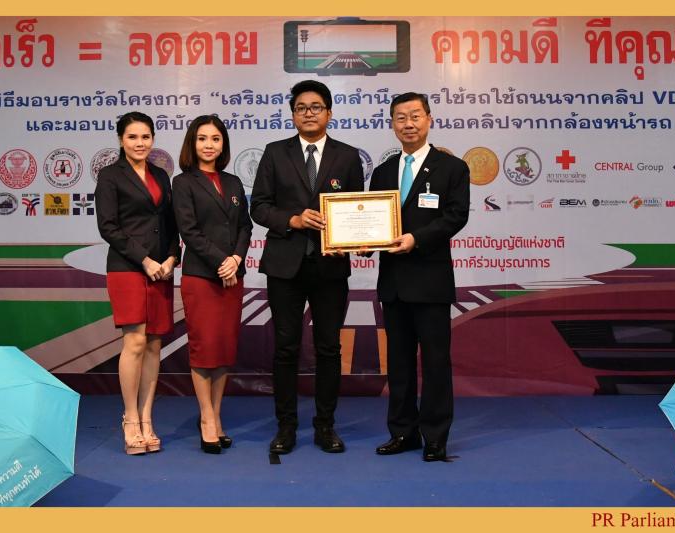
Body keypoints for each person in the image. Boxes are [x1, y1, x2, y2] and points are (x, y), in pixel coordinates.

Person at [250, 80, 364, 454]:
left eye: (316, 107)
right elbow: (259, 207)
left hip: (331, 266)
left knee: (329, 348)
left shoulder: (348, 156)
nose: (308, 113)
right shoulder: (275, 152)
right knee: (286, 348)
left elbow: (358, 209)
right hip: (285, 266)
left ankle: (325, 426)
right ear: (292, 114)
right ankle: (286, 427)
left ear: (329, 113)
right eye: (301, 107)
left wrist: (360, 239)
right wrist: (293, 220)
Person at [368, 92, 470, 461]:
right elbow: (373, 221)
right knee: (399, 364)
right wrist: (364, 244)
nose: (408, 124)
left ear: (429, 119)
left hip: (430, 281)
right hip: (394, 283)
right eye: (400, 117)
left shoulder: (452, 168)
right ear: (392, 124)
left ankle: (436, 436)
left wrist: (416, 239)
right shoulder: (382, 171)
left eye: (415, 116)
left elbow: (456, 216)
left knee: (436, 363)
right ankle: (403, 433)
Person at [95, 111, 180, 455]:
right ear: (121, 140)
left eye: (145, 136)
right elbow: (108, 227)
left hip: (161, 269)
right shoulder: (110, 176)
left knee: (154, 344)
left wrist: (172, 258)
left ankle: (147, 418)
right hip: (127, 266)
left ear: (153, 139)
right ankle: (130, 418)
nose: (140, 143)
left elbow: (172, 224)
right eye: (132, 137)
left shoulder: (160, 175)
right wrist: (144, 260)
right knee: (135, 341)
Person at [172, 115, 252, 454]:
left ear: (223, 144)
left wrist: (236, 258)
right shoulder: (183, 182)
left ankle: (216, 415)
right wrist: (222, 262)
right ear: (192, 143)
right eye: (202, 138)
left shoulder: (233, 182)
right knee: (204, 349)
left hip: (233, 277)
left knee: (223, 350)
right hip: (202, 277)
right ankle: (206, 417)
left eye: (215, 139)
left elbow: (245, 226)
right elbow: (189, 231)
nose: (209, 145)